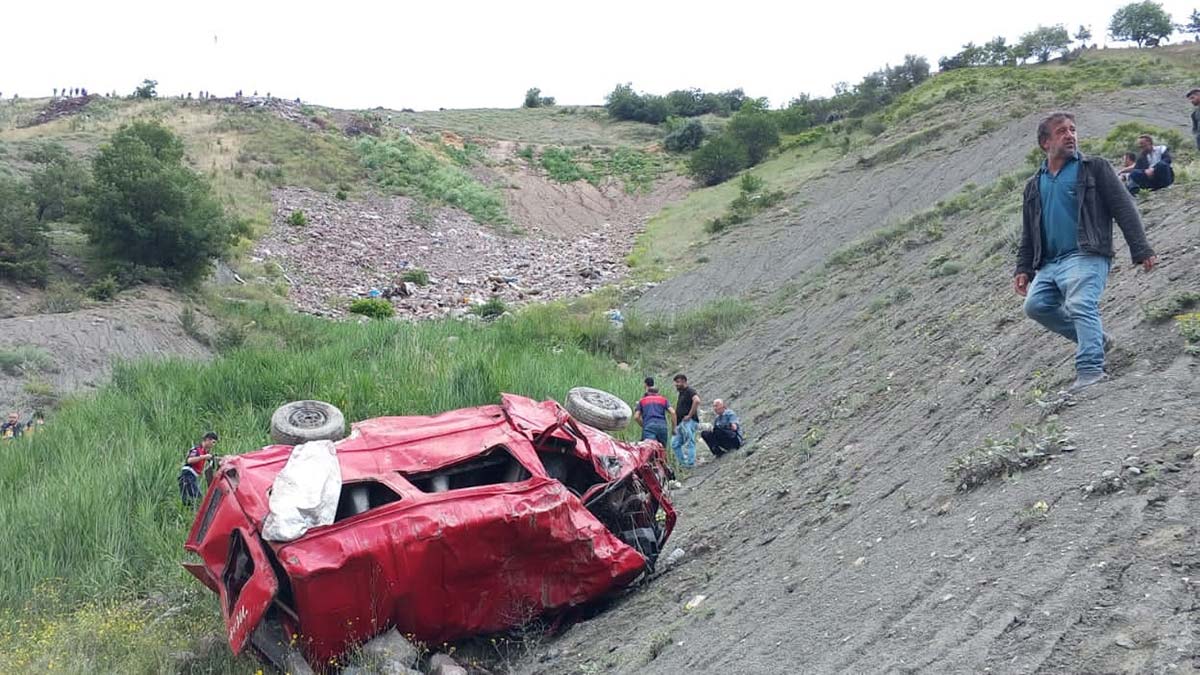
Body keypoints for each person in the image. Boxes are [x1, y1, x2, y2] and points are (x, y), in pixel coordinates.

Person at [1014, 112, 1157, 393]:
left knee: (1080, 304)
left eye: (1073, 130)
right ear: (1045, 142)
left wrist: (1141, 248)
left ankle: (1091, 370)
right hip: (1050, 263)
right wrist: (1023, 268)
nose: (1070, 135)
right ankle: (1098, 340)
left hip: (1087, 253)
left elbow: (1124, 208)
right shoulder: (1034, 184)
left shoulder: (1094, 168)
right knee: (1035, 307)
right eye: (1061, 131)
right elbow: (1029, 231)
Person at [179, 432, 218, 506]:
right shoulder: (197, 449)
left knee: (190, 501)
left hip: (193, 477)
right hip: (187, 475)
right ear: (207, 440)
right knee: (198, 499)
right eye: (213, 442)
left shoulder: (204, 452)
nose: (213, 445)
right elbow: (189, 460)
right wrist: (203, 457)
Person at [670, 374, 701, 468]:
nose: (676, 384)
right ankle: (683, 464)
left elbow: (697, 401)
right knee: (675, 444)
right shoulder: (682, 393)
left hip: (688, 422)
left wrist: (689, 415)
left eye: (678, 382)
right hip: (681, 423)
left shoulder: (690, 391)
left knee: (689, 442)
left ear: (684, 381)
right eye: (675, 382)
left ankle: (690, 464)